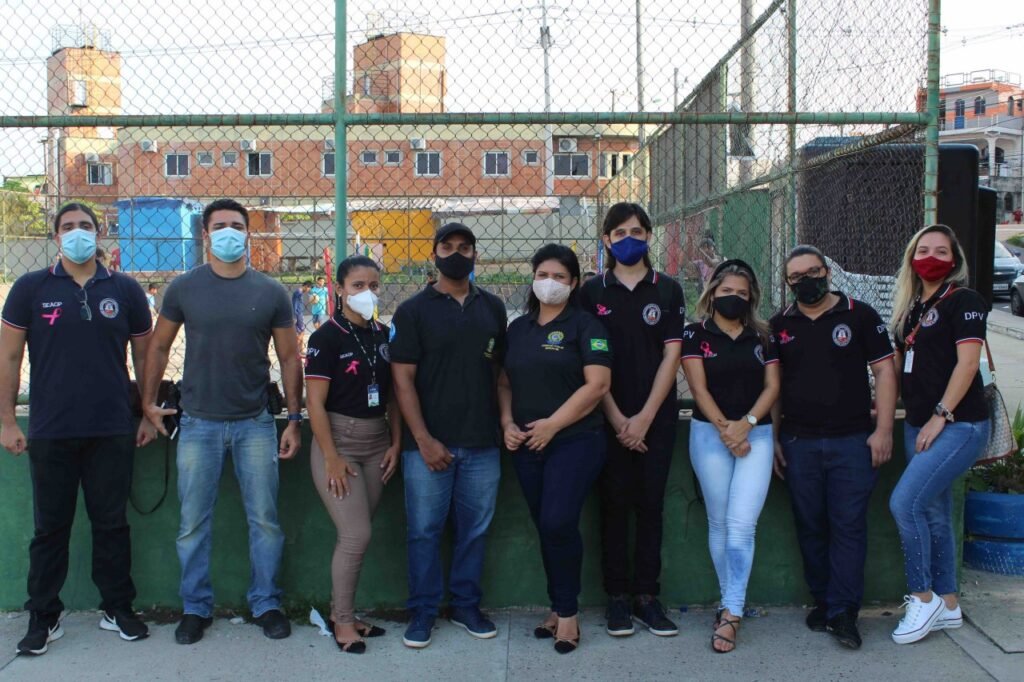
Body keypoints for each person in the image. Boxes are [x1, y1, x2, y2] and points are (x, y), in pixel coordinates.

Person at [142, 198, 303, 645]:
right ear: (206, 234)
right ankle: (195, 608)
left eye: (236, 224)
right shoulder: (183, 288)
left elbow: (290, 357)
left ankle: (266, 603)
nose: (228, 232)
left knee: (265, 521)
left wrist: (293, 419)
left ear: (248, 233)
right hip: (198, 424)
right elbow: (158, 347)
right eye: (219, 225)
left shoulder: (270, 292)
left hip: (255, 423)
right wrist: (148, 404)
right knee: (193, 523)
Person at [0, 202, 155, 655]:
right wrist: (6, 420)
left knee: (112, 524)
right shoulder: (30, 288)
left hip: (112, 427)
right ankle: (43, 616)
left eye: (85, 225)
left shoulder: (125, 289)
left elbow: (145, 356)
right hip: (51, 429)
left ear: (98, 232)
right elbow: (9, 356)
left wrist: (148, 412)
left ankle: (118, 608)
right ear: (56, 237)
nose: (77, 233)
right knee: (50, 528)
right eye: (67, 227)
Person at [770, 244, 897, 650]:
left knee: (848, 525)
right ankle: (823, 601)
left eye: (813, 272)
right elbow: (773, 389)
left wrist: (884, 430)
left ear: (826, 271)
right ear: (788, 283)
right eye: (796, 277)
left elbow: (885, 372)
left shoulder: (861, 315)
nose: (806, 281)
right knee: (810, 525)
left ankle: (844, 612)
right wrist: (774, 439)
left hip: (853, 442)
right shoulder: (779, 325)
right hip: (798, 443)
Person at [390, 222, 507, 649]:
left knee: (474, 531)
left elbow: (499, 372)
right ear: (434, 253)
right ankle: (422, 611)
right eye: (448, 246)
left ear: (476, 254)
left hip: (482, 442)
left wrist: (502, 424)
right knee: (424, 531)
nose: (456, 254)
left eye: (465, 247)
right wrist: (422, 439)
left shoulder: (493, 308)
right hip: (427, 447)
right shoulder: (412, 311)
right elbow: (402, 380)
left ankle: (465, 606)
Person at [497, 244, 612, 654]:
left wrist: (553, 425)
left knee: (559, 521)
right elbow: (504, 382)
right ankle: (557, 606)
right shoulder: (518, 329)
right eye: (543, 275)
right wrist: (507, 423)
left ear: (574, 283)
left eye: (560, 277)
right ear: (532, 279)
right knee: (546, 526)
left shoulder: (586, 326)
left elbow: (597, 385)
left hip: (576, 440)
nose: (550, 283)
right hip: (527, 443)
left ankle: (568, 615)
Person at [578, 202, 684, 638]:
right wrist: (620, 419)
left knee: (651, 507)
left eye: (636, 231)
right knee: (613, 506)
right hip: (606, 418)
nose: (628, 239)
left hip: (655, 420)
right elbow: (589, 363)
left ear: (649, 236)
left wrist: (643, 419)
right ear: (606, 240)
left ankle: (647, 597)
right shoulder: (591, 292)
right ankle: (618, 598)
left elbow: (672, 357)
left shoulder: (668, 290)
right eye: (619, 233)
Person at [889, 224, 990, 645]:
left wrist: (940, 415)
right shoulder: (911, 308)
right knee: (932, 511)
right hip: (917, 422)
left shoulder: (964, 301)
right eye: (923, 249)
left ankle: (922, 595)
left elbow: (967, 364)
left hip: (958, 424)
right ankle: (947, 604)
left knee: (904, 503)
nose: (931, 257)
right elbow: (899, 366)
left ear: (954, 260)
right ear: (912, 258)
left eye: (941, 251)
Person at [681, 259, 780, 653]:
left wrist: (747, 424)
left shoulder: (764, 336)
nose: (734, 298)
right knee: (720, 523)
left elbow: (772, 387)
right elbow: (698, 388)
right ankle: (729, 604)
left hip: (758, 435)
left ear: (751, 297)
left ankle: (732, 612)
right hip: (710, 435)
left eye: (741, 293)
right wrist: (727, 429)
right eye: (726, 292)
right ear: (712, 294)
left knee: (741, 526)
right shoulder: (694, 333)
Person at [305, 256, 401, 654]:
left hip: (377, 443)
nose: (367, 293)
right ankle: (342, 621)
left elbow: (393, 396)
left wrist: (396, 442)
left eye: (374, 285)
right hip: (339, 443)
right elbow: (314, 402)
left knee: (358, 534)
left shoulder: (383, 334)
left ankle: (343, 612)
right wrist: (331, 456)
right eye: (358, 285)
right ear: (340, 289)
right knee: (356, 534)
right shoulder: (326, 337)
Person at [293, 281, 312, 349]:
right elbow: (294, 305)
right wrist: (295, 317)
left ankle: (301, 350)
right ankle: (295, 349)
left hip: (299, 314)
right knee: (302, 332)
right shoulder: (298, 292)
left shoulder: (299, 292)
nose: (308, 290)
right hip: (298, 315)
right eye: (309, 288)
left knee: (300, 332)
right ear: (306, 286)